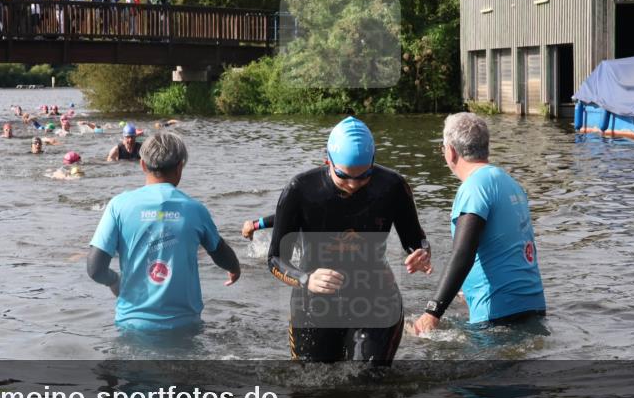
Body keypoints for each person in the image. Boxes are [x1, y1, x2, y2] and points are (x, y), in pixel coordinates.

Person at [267, 117, 432, 365]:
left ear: (373, 164)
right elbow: (275, 260)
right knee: (310, 385)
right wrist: (306, 278)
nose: (354, 185)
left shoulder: (392, 186)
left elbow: (415, 240)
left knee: (368, 379)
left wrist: (421, 253)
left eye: (364, 176)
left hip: (376, 298)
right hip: (314, 301)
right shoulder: (300, 189)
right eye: (343, 176)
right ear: (327, 163)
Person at [87, 131, 241, 331]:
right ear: (179, 168)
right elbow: (220, 252)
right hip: (185, 327)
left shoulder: (118, 206)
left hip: (132, 325)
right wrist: (235, 268)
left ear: (142, 165)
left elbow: (95, 269)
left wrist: (114, 280)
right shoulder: (195, 209)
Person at [410, 113, 546, 336]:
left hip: (497, 314)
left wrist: (432, 312)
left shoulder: (474, 187)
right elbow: (507, 246)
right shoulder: (510, 183)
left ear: (450, 151)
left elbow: (463, 252)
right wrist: (468, 289)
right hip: (532, 306)